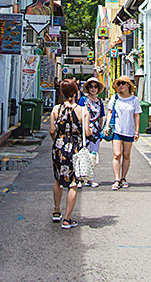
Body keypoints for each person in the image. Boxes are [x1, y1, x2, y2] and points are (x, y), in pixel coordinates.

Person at [50, 79, 91, 228]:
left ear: (62, 92)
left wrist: (58, 141)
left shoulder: (56, 109)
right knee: (73, 183)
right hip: (75, 148)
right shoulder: (82, 110)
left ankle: (56, 211)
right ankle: (67, 219)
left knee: (58, 179)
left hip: (58, 147)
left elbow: (52, 131)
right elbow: (87, 132)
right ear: (75, 93)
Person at [104, 75, 141, 190]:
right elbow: (110, 112)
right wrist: (106, 125)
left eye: (123, 83)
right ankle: (116, 179)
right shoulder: (115, 98)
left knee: (126, 155)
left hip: (129, 131)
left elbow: (137, 115)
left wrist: (137, 131)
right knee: (117, 154)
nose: (121, 86)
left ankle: (123, 177)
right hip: (117, 130)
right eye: (119, 84)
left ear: (128, 86)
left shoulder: (134, 100)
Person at [77, 77, 106, 188]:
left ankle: (90, 179)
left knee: (93, 156)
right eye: (91, 86)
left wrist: (101, 131)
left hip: (95, 133)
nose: (93, 89)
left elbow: (101, 117)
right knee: (81, 154)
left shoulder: (100, 102)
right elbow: (78, 114)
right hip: (84, 132)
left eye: (95, 86)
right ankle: (79, 178)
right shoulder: (83, 100)